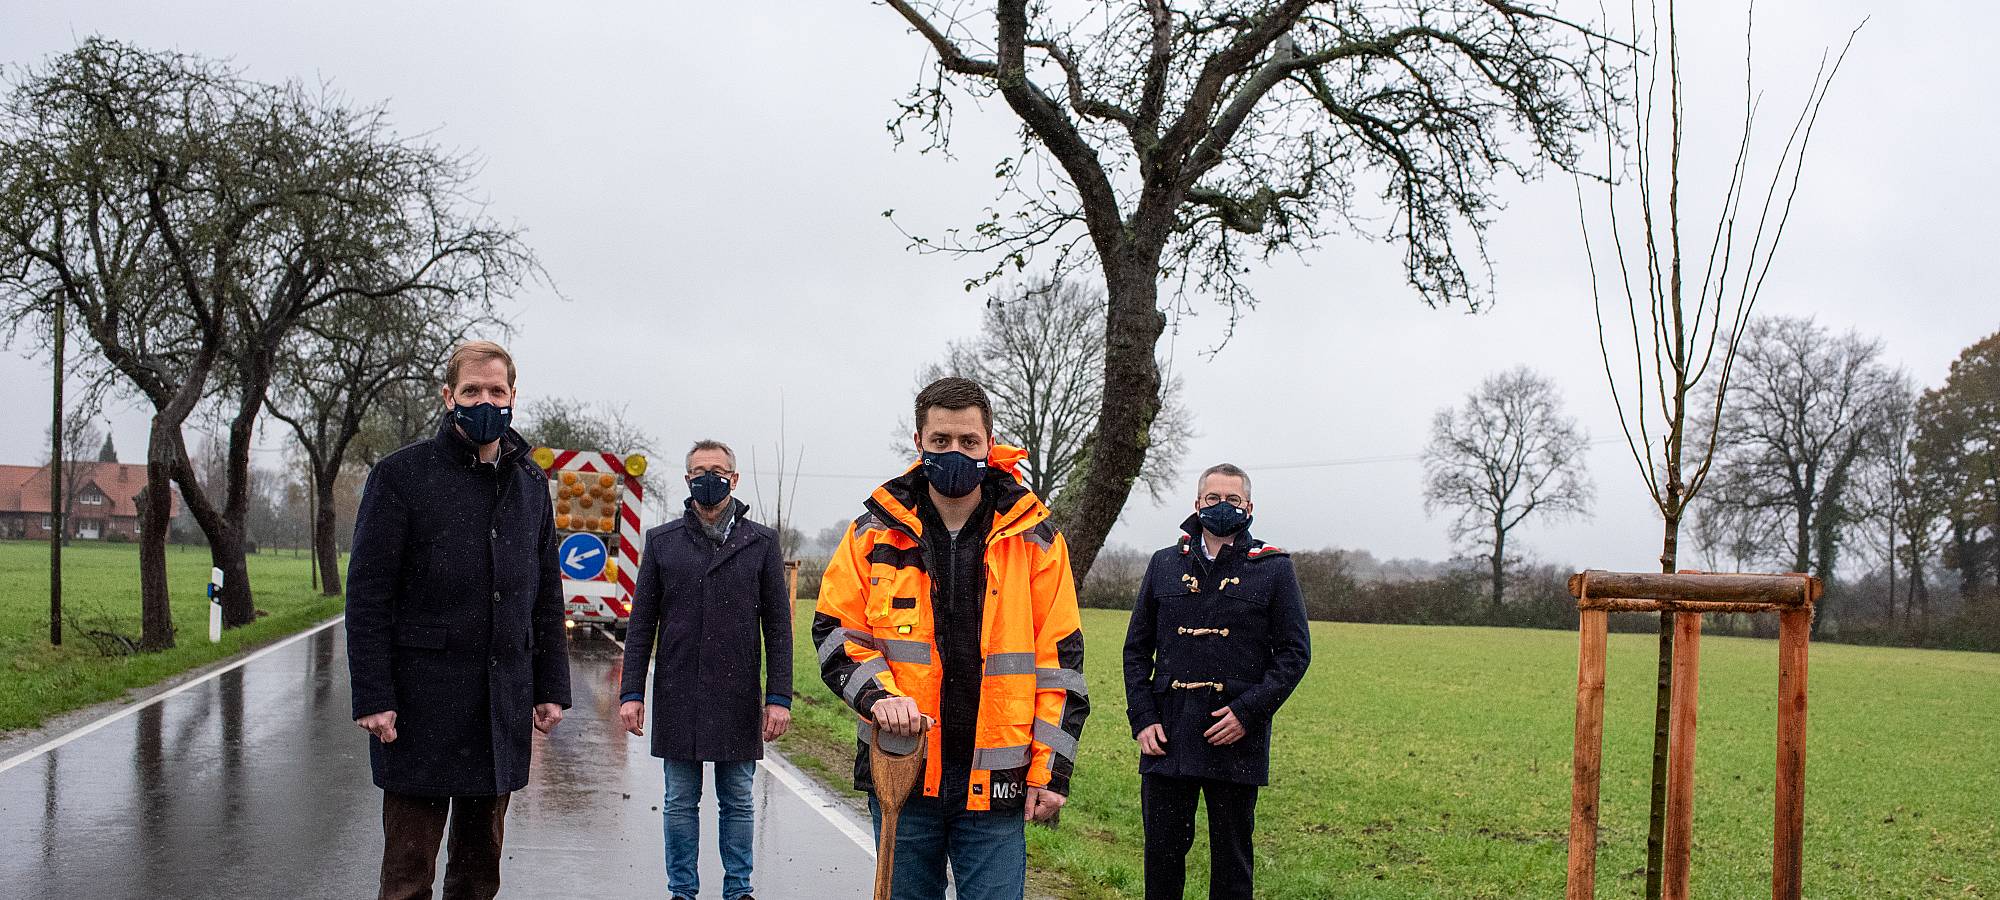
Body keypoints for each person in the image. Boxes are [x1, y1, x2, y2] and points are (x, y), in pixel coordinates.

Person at [814, 377, 1090, 900]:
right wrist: (880, 698)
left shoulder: (1036, 540)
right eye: (941, 441)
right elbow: (834, 631)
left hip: (998, 785)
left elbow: (1061, 664)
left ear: (990, 443)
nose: (955, 452)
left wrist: (1050, 772)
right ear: (919, 443)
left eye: (968, 441)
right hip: (903, 769)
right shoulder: (873, 532)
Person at [345, 339, 571, 900]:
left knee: (477, 876)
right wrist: (374, 695)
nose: (485, 401)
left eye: (497, 391)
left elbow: (545, 597)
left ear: (513, 397)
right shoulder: (401, 476)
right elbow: (368, 596)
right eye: (472, 390)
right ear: (449, 397)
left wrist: (550, 687)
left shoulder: (531, 484)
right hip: (418, 710)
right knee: (407, 875)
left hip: (499, 707)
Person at [1123, 463, 1312, 900]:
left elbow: (1294, 653)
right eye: (1213, 499)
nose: (1221, 506)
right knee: (1163, 859)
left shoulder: (1274, 568)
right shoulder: (1165, 563)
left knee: (1232, 863)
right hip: (1166, 734)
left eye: (1232, 500)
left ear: (1248, 507)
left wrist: (1249, 713)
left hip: (1235, 737)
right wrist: (1143, 719)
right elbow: (1136, 649)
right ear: (1197, 504)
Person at [619, 439, 793, 900]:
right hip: (679, 693)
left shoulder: (760, 543)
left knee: (737, 800)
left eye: (717, 470)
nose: (708, 477)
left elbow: (777, 628)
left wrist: (779, 698)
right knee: (679, 802)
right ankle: (682, 891)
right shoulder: (662, 542)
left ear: (734, 480)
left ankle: (739, 890)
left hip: (737, 697)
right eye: (699, 470)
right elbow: (641, 626)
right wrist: (631, 692)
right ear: (687, 479)